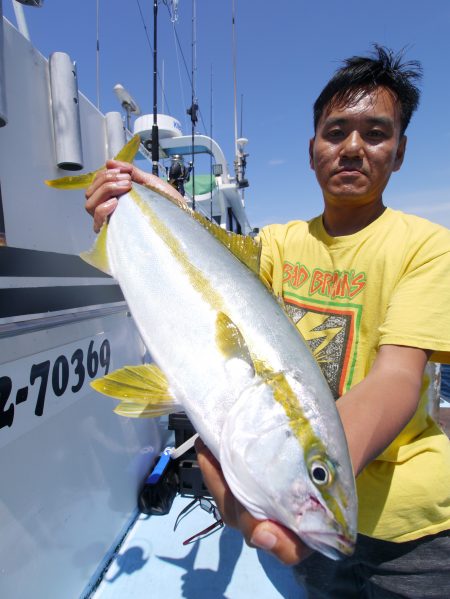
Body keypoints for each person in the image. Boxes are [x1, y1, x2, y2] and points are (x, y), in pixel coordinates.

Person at [85, 46, 450, 598]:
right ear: (311, 151)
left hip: (412, 528)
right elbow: (209, 276)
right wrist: (141, 206)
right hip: (300, 509)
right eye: (336, 132)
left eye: (375, 133)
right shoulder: (277, 245)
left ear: (399, 153)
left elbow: (397, 376)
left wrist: (309, 480)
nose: (353, 147)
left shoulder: (429, 247)